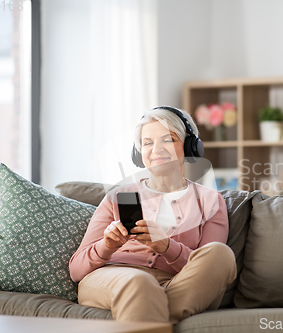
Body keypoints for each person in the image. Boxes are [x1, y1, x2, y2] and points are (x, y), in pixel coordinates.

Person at [69, 106, 236, 324]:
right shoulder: (118, 196)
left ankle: (149, 309)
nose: (156, 149)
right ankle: (159, 312)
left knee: (220, 254)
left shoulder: (210, 201)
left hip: (174, 284)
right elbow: (76, 269)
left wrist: (167, 247)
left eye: (168, 140)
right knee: (139, 283)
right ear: (139, 153)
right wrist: (107, 245)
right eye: (147, 143)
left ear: (189, 146)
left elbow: (205, 266)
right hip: (114, 278)